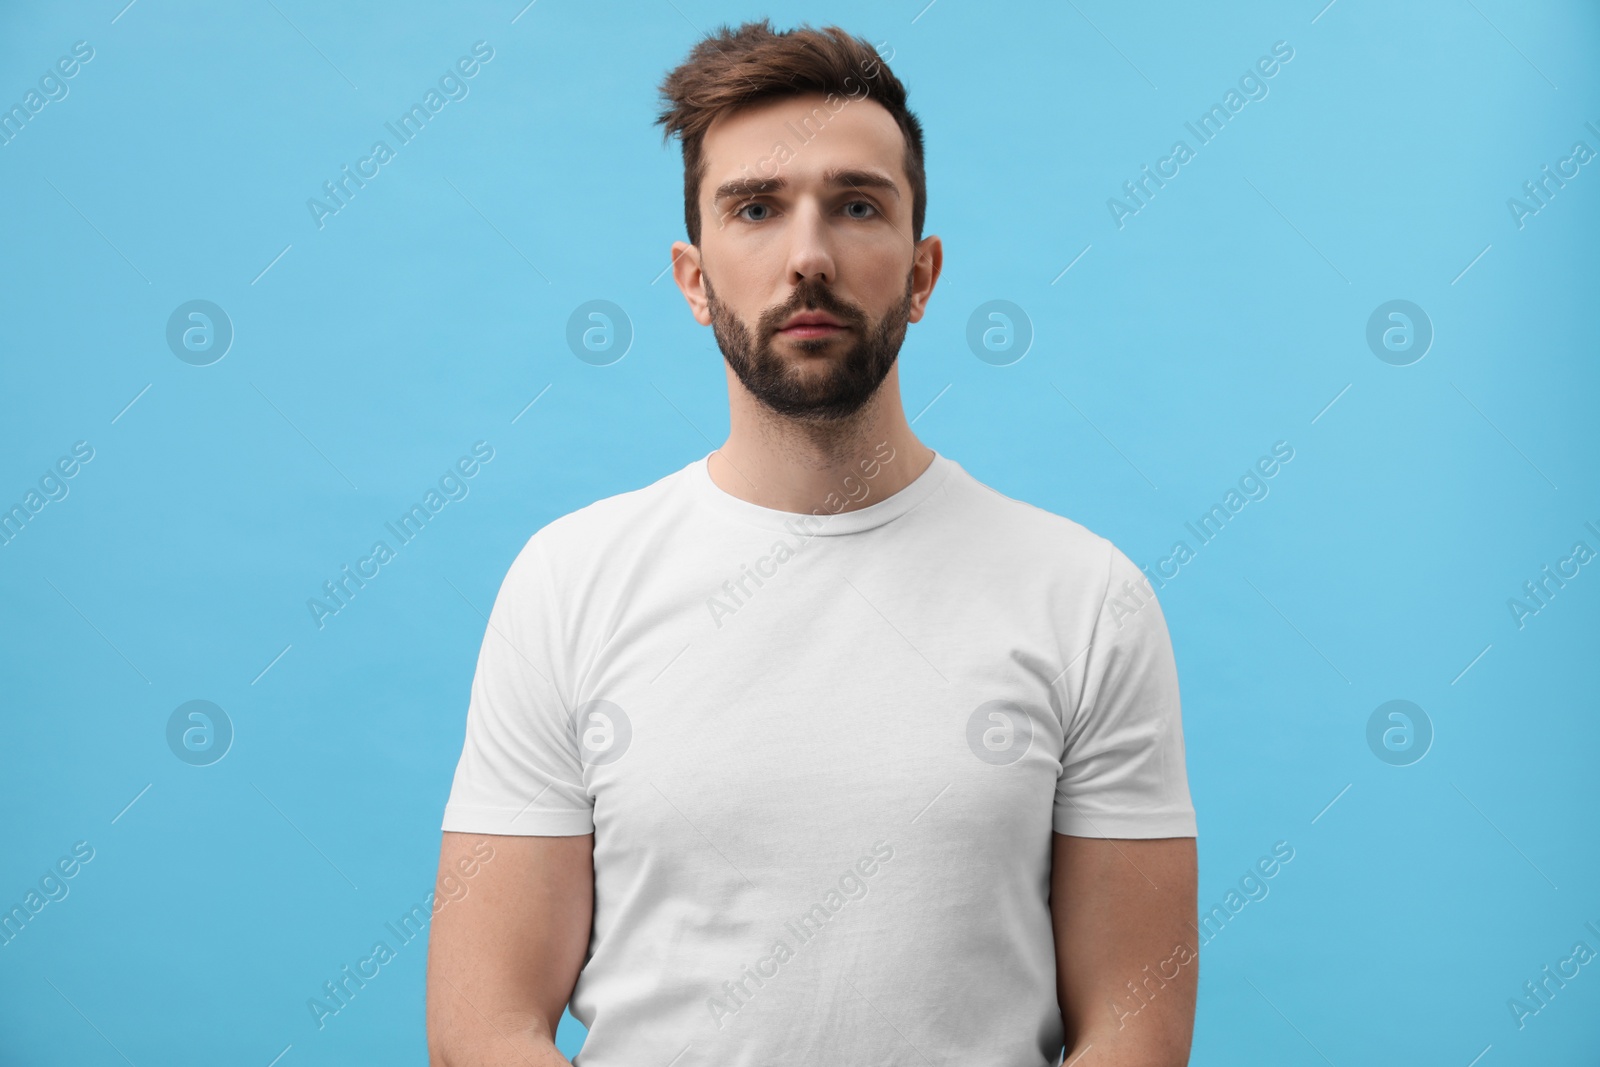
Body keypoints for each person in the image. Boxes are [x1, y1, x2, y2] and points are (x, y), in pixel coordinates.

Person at [427, 19, 1198, 1067]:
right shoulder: (565, 584)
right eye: (755, 208)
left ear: (921, 272)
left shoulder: (1085, 597)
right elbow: (486, 1025)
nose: (808, 257)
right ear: (692, 278)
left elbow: (1133, 1030)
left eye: (856, 205)